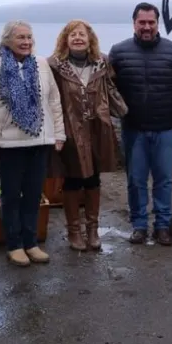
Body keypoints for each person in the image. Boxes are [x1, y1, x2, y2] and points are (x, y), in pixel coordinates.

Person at [0, 21, 65, 266]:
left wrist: (58, 134)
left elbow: (54, 102)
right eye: (20, 37)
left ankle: (31, 243)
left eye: (29, 37)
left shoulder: (42, 64)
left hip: (39, 141)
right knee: (12, 196)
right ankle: (14, 245)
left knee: (33, 195)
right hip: (9, 145)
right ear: (7, 40)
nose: (26, 42)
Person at [109, 3, 172, 246]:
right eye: (142, 22)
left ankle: (162, 226)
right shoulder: (118, 52)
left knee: (164, 180)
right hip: (133, 128)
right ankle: (139, 225)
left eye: (151, 22)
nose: (147, 27)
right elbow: (107, 89)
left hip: (165, 128)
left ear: (158, 24)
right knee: (136, 180)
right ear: (134, 23)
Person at [47, 20, 127, 252]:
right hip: (69, 128)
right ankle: (74, 231)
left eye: (82, 34)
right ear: (65, 40)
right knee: (72, 178)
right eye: (72, 34)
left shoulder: (102, 62)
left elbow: (111, 88)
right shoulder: (54, 65)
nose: (78, 38)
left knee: (93, 178)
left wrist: (121, 110)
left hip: (96, 128)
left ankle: (92, 229)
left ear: (90, 39)